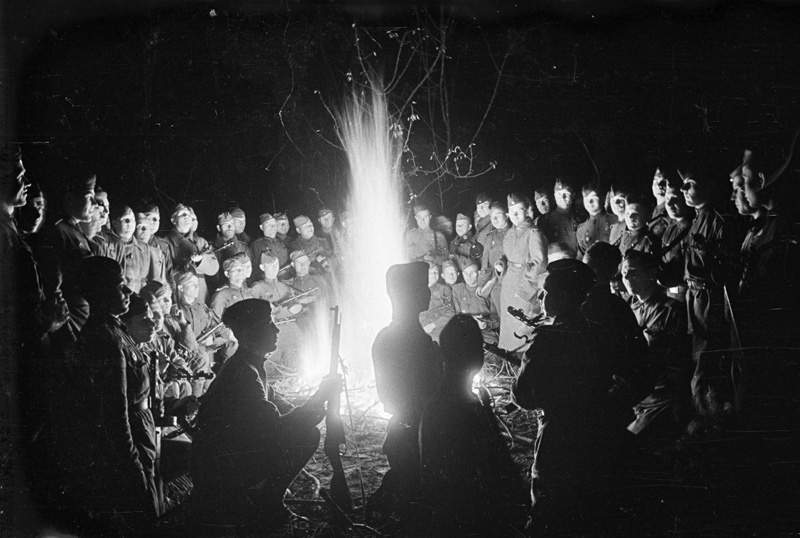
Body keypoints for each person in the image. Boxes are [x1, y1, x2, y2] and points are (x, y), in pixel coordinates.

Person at [190, 299, 343, 531]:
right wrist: (320, 396)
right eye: (268, 324)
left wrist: (317, 401)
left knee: (304, 431)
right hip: (224, 467)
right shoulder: (243, 374)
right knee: (306, 435)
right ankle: (266, 504)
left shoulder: (250, 366)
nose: (276, 329)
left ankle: (268, 502)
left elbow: (284, 408)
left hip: (230, 457)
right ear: (251, 332)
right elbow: (277, 427)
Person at [513, 259, 623, 531]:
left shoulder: (548, 338)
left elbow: (522, 395)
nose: (541, 298)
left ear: (560, 298)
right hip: (596, 432)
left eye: (546, 293)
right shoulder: (597, 334)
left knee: (550, 508)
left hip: (558, 435)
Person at [55, 257, 160, 534]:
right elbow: (114, 412)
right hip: (131, 442)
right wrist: (131, 464)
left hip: (142, 434)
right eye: (120, 285)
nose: (127, 293)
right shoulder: (106, 339)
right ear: (101, 293)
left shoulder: (116, 331)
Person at [418, 315, 527, 536]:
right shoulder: (465, 408)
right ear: (479, 359)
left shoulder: (434, 406)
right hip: (473, 518)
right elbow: (494, 464)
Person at [367, 262, 441, 528]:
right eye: (422, 287)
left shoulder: (388, 337)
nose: (428, 292)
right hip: (415, 433)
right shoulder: (411, 341)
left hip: (405, 429)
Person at [679, 165, 741, 429]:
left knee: (707, 359)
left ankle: (710, 420)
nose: (684, 189)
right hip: (695, 298)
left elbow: (723, 269)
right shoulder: (698, 217)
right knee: (698, 355)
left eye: (690, 183)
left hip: (710, 300)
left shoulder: (718, 220)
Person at [621, 250, 693, 435]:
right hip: (637, 398)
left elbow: (680, 362)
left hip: (663, 399)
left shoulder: (672, 311)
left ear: (652, 274)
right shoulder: (629, 310)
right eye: (624, 273)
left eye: (634, 271)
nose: (627, 277)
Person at [499, 193, 548, 353]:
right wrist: (500, 263)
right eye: (511, 211)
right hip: (508, 285)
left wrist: (525, 290)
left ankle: (525, 363)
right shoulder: (509, 234)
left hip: (524, 287)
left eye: (519, 210)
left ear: (527, 211)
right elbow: (507, 256)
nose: (515, 215)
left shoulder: (533, 233)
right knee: (510, 332)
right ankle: (511, 363)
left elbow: (539, 262)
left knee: (523, 330)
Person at [250, 253, 305, 375]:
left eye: (276, 265)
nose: (274, 268)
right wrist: (284, 311)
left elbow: (297, 307)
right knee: (270, 369)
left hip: (290, 330)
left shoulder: (285, 286)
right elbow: (255, 313)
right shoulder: (257, 288)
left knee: (296, 367)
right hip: (271, 331)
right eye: (270, 266)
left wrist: (291, 309)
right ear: (262, 267)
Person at [174, 270, 237, 374]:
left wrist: (231, 336)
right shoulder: (176, 311)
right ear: (181, 288)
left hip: (204, 357)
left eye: (197, 284)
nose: (196, 287)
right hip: (185, 360)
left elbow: (218, 326)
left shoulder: (202, 308)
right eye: (192, 284)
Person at [164, 203, 219, 305]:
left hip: (201, 294)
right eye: (182, 214)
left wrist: (200, 261)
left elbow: (214, 268)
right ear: (173, 220)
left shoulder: (200, 242)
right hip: (178, 294)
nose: (186, 217)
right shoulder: (165, 243)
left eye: (188, 215)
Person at [105, 204, 162, 292]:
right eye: (125, 220)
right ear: (114, 223)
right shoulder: (109, 245)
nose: (129, 223)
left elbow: (152, 279)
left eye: (132, 220)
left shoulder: (144, 248)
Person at [660, 179, 695, 302]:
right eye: (667, 199)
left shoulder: (694, 228)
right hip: (671, 295)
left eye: (675, 199)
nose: (669, 204)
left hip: (689, 295)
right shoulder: (669, 230)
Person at [476, 201, 510, 317]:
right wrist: (481, 284)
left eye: (497, 216)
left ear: (507, 215)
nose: (494, 220)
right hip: (496, 285)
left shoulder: (514, 233)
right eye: (491, 217)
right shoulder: (490, 237)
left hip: (513, 282)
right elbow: (485, 265)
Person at [534, 178, 582, 252]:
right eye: (559, 194)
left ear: (573, 195)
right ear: (554, 196)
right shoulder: (544, 221)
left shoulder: (581, 219)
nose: (562, 198)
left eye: (566, 194)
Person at [576, 183, 616, 257]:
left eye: (594, 198)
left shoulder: (615, 221)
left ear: (603, 199)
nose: (590, 202)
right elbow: (581, 257)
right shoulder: (582, 230)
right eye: (586, 199)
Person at [248, 212, 289, 283]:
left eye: (274, 224)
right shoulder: (257, 245)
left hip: (286, 279)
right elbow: (254, 269)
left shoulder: (281, 243)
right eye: (269, 225)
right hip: (268, 281)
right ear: (261, 227)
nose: (273, 227)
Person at [210, 252, 255, 318]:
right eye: (236, 269)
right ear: (227, 274)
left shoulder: (249, 292)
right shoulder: (221, 295)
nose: (240, 272)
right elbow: (215, 324)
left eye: (242, 269)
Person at [616, 193, 661, 258]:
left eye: (635, 214)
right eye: (627, 213)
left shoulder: (648, 241)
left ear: (647, 216)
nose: (630, 217)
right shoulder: (624, 236)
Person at [419, 262, 455, 343]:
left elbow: (451, 312)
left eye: (435, 272)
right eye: (430, 273)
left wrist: (433, 325)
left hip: (440, 328)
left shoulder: (444, 289)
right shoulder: (418, 291)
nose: (434, 275)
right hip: (423, 329)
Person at [649, 166, 673, 238]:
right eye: (656, 181)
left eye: (664, 182)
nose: (659, 186)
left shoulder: (671, 212)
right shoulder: (655, 210)